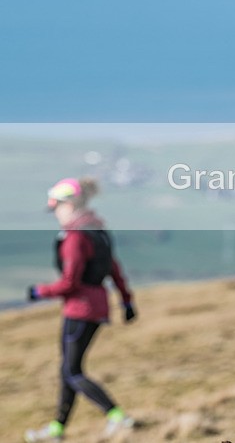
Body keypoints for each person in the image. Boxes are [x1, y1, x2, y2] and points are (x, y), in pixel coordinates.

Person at [24, 177, 137, 442]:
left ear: (69, 204)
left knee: (72, 371)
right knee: (69, 369)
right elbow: (115, 269)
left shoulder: (75, 237)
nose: (56, 214)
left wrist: (39, 291)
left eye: (57, 208)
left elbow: (69, 282)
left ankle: (117, 416)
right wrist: (126, 301)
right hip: (98, 306)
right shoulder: (97, 230)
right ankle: (57, 429)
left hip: (79, 309)